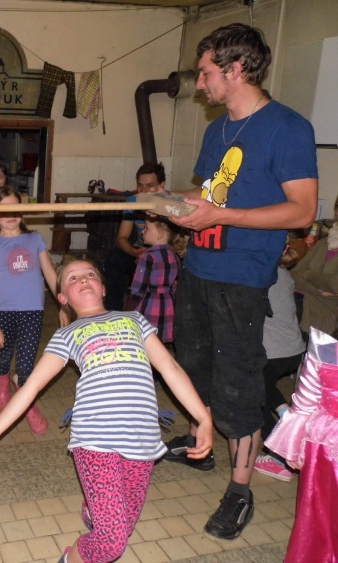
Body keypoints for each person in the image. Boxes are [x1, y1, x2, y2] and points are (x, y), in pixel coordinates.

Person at [165, 23, 318, 541]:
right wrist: (170, 201)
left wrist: (221, 217)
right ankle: (201, 445)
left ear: (235, 69)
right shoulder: (217, 130)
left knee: (239, 386)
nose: (200, 83)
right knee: (195, 368)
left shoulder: (287, 128)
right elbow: (212, 194)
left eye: (206, 72)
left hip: (242, 278)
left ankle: (240, 490)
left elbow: (303, 210)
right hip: (199, 268)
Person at [0, 257, 213, 563]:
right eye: (72, 278)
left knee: (125, 526)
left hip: (143, 440)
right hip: (94, 440)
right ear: (63, 298)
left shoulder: (134, 320)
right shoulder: (66, 334)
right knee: (111, 543)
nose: (82, 279)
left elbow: (170, 368)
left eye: (90, 274)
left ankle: (94, 509)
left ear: (103, 288)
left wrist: (202, 417)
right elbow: (31, 386)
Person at [0, 185, 58, 434]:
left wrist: (65, 304)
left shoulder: (35, 239)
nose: (10, 214)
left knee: (26, 365)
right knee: (3, 356)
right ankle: (1, 388)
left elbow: (50, 274)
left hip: (32, 311)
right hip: (2, 312)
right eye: (3, 209)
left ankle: (27, 403)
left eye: (14, 207)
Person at [264, 327, 338, 562]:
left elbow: (305, 404)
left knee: (322, 514)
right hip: (325, 447)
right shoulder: (325, 351)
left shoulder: (326, 350)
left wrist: (294, 448)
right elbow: (304, 404)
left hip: (325, 444)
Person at [253, 242, 306, 482]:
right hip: (293, 349)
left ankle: (280, 457)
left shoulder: (261, 274)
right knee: (265, 389)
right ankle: (286, 415)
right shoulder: (283, 272)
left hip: (273, 351)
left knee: (254, 400)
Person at [103, 162, 167, 311]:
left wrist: (150, 255)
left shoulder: (170, 203)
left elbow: (177, 242)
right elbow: (121, 238)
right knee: (113, 258)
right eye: (140, 186)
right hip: (139, 251)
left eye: (150, 186)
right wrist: (134, 252)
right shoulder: (132, 201)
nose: (143, 191)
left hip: (164, 255)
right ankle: (114, 313)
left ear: (161, 185)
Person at [290, 195, 338, 337]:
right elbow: (294, 274)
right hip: (301, 301)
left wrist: (307, 274)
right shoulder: (324, 243)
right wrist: (319, 290)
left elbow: (335, 284)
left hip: (325, 312)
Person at [128, 216, 181, 344]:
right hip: (168, 304)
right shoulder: (174, 256)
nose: (142, 231)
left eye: (146, 228)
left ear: (160, 234)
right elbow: (176, 283)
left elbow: (138, 286)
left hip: (149, 304)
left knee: (146, 337)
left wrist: (130, 306)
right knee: (160, 339)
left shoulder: (147, 257)